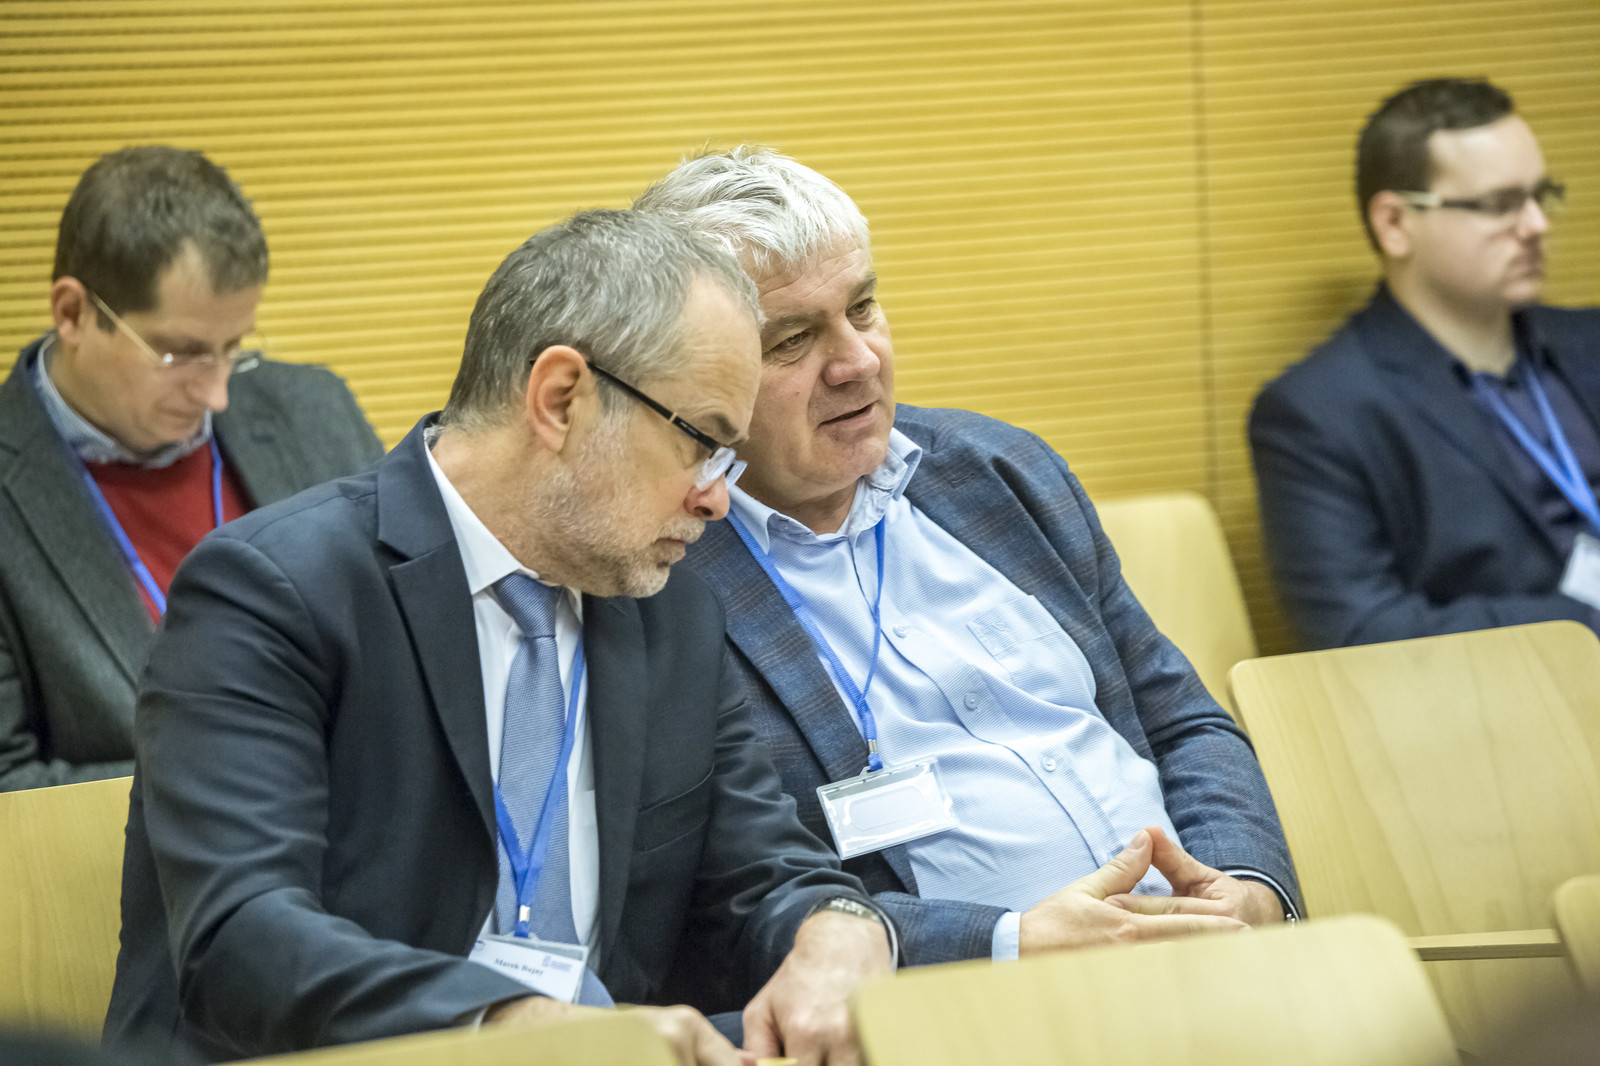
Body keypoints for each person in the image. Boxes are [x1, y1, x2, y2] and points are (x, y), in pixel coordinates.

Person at [102, 209, 894, 1065]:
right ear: (560, 399)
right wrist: (511, 1024)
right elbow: (242, 940)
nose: (716, 497)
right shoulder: (275, 590)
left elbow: (764, 872)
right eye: (702, 442)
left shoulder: (672, 614)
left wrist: (840, 925)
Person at [635, 148, 1300, 969]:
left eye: (863, 308)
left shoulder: (1000, 471)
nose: (858, 361)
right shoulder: (662, 580)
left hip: (1217, 955)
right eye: (794, 340)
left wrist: (1249, 885)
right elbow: (731, 905)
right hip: (966, 1007)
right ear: (695, 374)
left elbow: (1181, 719)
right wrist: (1008, 946)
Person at [0, 145, 384, 791]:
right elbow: (8, 786)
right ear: (72, 313)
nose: (217, 394)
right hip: (131, 853)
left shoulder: (317, 412)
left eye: (233, 348)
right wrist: (238, 783)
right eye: (181, 355)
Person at [1250, 78, 1600, 650]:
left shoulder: (1591, 339)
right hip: (1498, 694)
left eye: (1542, 194)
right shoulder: (1316, 414)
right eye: (1500, 204)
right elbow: (1362, 634)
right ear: (1395, 223)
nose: (1538, 224)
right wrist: (1585, 625)